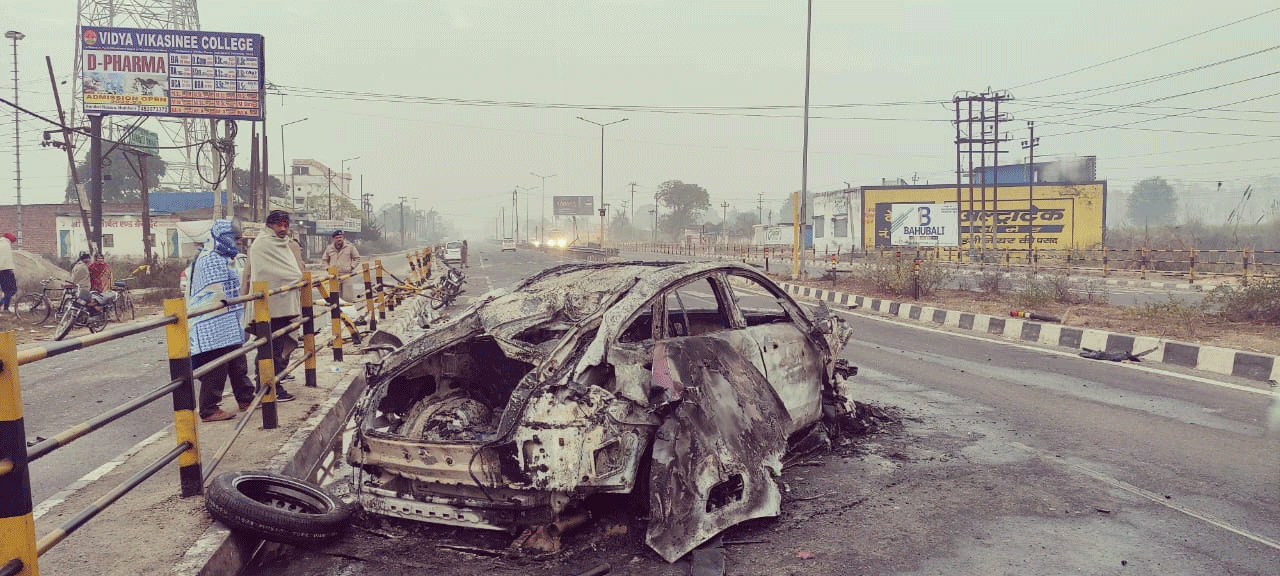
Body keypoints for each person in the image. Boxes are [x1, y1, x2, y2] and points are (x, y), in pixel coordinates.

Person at [188, 220, 258, 422]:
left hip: (227, 319)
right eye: (234, 239)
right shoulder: (210, 259)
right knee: (216, 366)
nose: (237, 244)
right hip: (211, 321)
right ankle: (209, 409)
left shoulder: (224, 257)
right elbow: (215, 292)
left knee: (237, 361)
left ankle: (245, 398)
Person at [241, 210, 300, 401]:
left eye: (285, 225)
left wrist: (294, 276)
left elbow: (292, 271)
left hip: (281, 306)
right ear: (269, 226)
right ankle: (268, 388)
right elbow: (268, 272)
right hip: (267, 307)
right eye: (278, 225)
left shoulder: (283, 244)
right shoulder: (262, 244)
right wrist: (293, 277)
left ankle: (269, 385)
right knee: (269, 349)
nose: (283, 229)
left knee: (276, 346)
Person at [322, 230, 361, 302]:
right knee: (335, 298)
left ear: (343, 238)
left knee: (348, 298)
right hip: (334, 276)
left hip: (346, 275)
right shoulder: (329, 248)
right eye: (337, 237)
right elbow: (324, 260)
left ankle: (347, 312)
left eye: (340, 237)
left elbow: (357, 258)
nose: (339, 239)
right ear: (333, 239)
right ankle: (337, 313)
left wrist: (351, 267)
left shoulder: (350, 247)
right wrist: (328, 268)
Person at [0, 232, 15, 312]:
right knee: (11, 290)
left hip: (2, 271)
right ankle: (5, 308)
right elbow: (7, 260)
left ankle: (5, 308)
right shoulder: (6, 245)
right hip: (6, 270)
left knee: (6, 291)